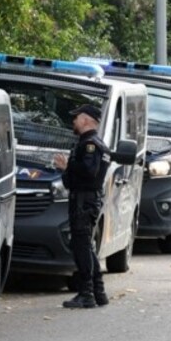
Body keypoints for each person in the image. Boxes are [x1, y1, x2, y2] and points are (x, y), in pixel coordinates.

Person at [53, 103, 111, 309]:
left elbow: (88, 172)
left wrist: (68, 166)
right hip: (82, 199)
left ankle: (87, 293)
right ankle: (98, 291)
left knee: (81, 247)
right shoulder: (86, 143)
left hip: (84, 201)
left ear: (86, 120)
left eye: (76, 118)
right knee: (85, 246)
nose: (74, 122)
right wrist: (65, 169)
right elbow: (71, 181)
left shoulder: (91, 145)